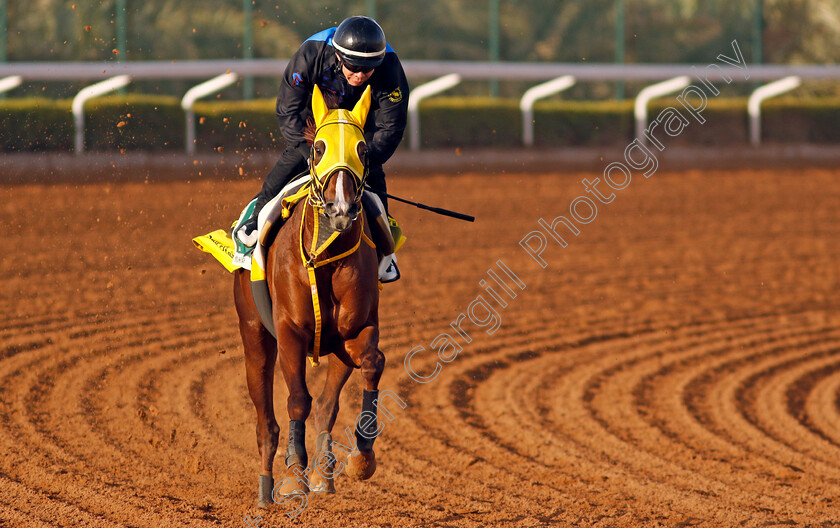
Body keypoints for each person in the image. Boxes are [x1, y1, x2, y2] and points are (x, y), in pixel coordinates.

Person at [237, 15, 409, 281]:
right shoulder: (310, 54)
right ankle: (255, 220)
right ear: (339, 56)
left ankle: (384, 250)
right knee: (290, 162)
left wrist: (362, 159)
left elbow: (391, 127)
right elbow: (288, 110)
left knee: (373, 175)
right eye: (354, 67)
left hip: (359, 127)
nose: (360, 75)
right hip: (314, 124)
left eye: (368, 69)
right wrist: (312, 156)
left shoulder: (390, 67)